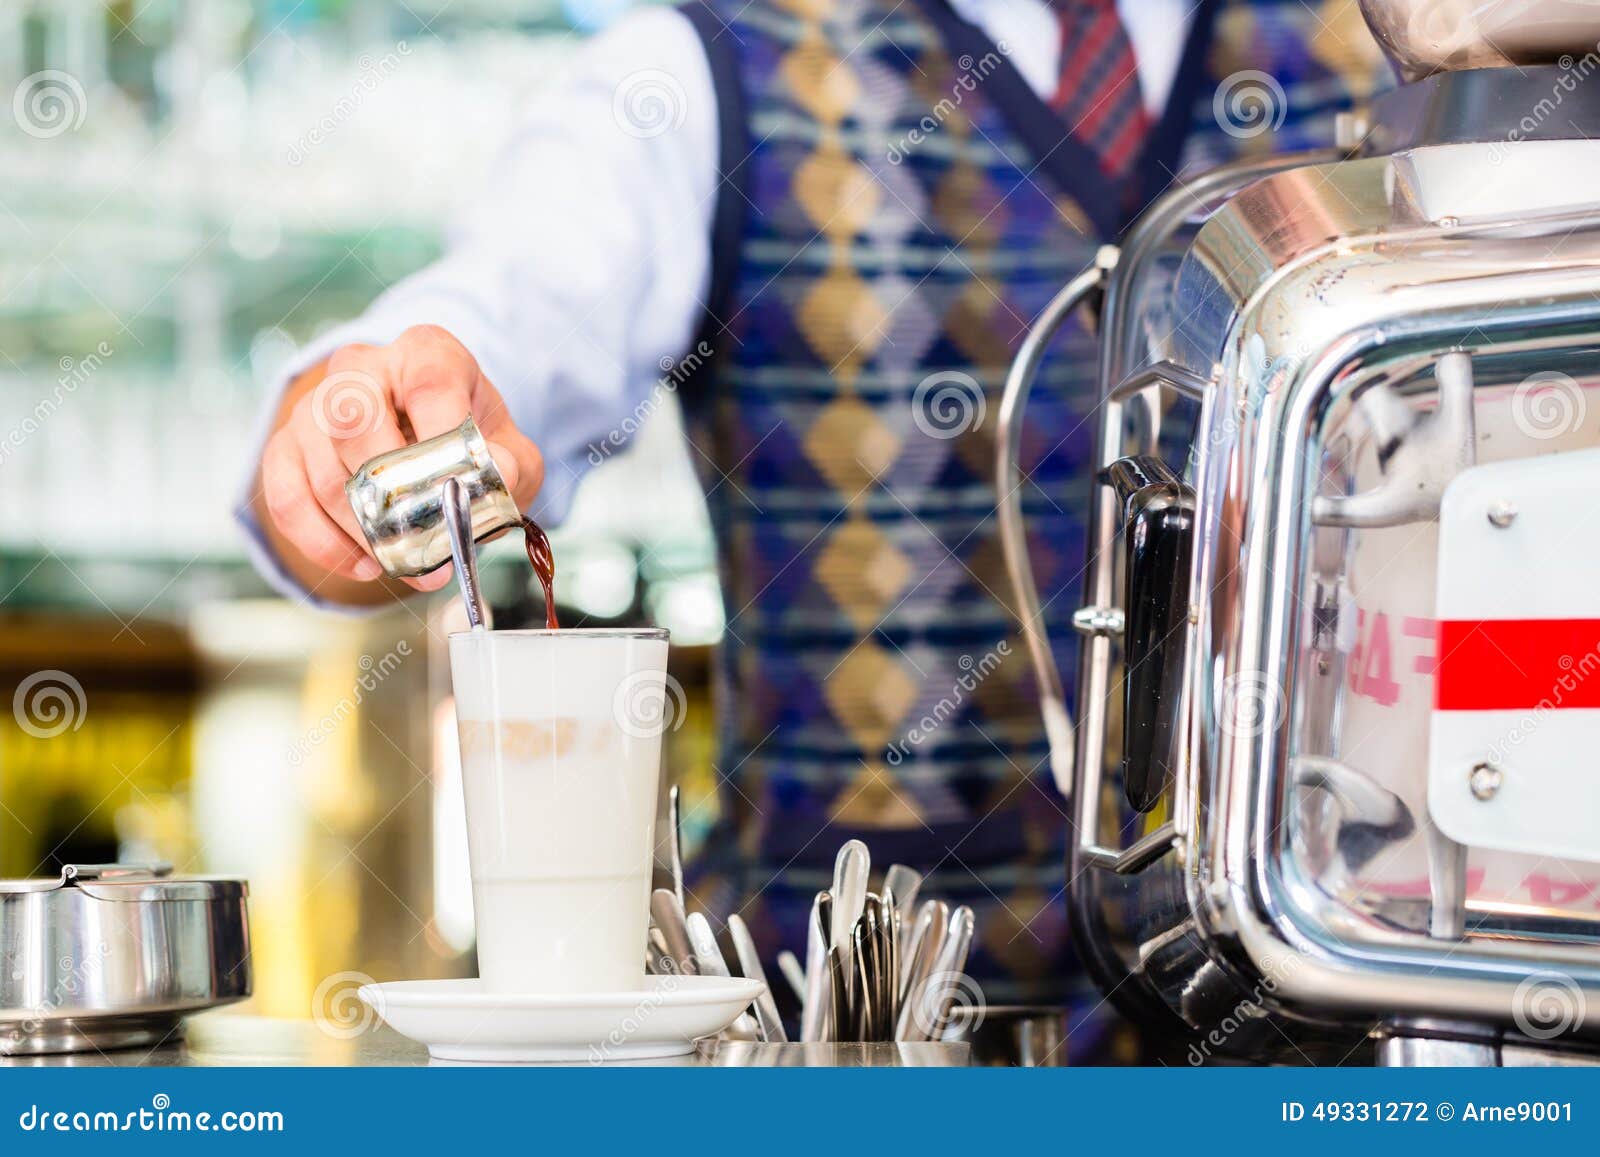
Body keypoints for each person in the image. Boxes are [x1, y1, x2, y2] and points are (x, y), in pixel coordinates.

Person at [240, 0, 1387, 1037]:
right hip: (827, 1058)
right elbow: (504, 310)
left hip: (1345, 1049)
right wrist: (367, 414)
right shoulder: (709, 72)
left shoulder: (1407, 51)